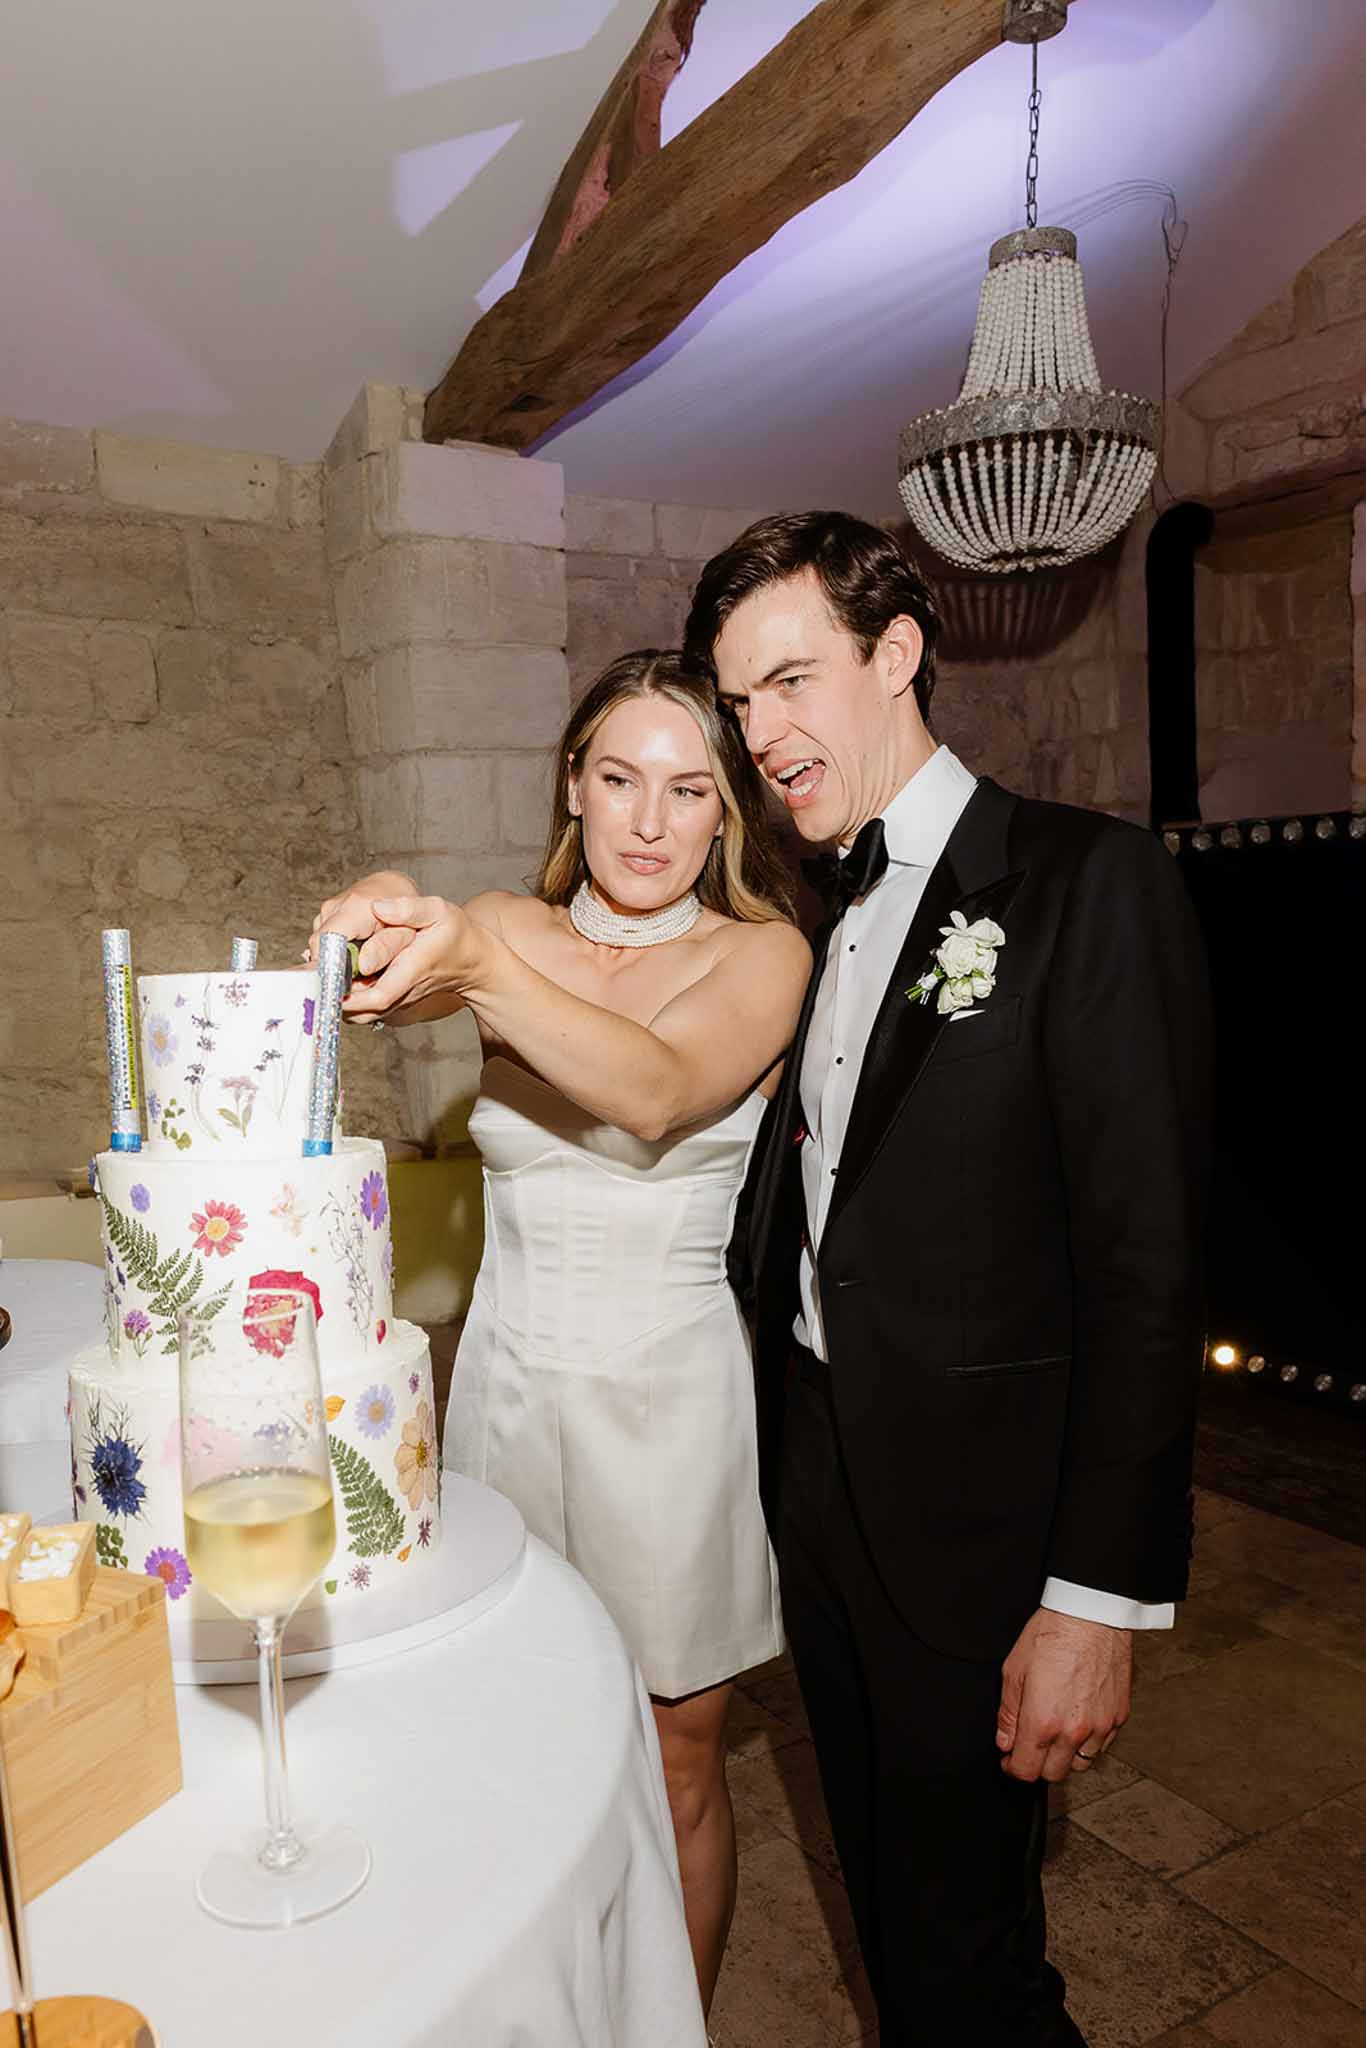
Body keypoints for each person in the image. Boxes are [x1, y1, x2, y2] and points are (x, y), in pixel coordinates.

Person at [683, 512, 1213, 2045]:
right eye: (739, 701)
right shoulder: (818, 906)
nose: (758, 735)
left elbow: (1144, 1275)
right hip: (822, 1496)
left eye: (789, 681)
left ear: (896, 653)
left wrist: (1094, 1602)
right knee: (895, 1930)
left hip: (982, 1538)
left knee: (972, 1970)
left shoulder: (1085, 883)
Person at [311, 651, 810, 2019]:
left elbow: (653, 1094)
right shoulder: (503, 929)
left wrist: (478, 962)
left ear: (727, 813)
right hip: (507, 1393)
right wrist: (376, 922)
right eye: (620, 780)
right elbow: (383, 984)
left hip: (671, 1404)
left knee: (676, 1758)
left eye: (689, 790)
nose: (650, 822)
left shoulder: (761, 954)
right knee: (509, 1726)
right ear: (572, 786)